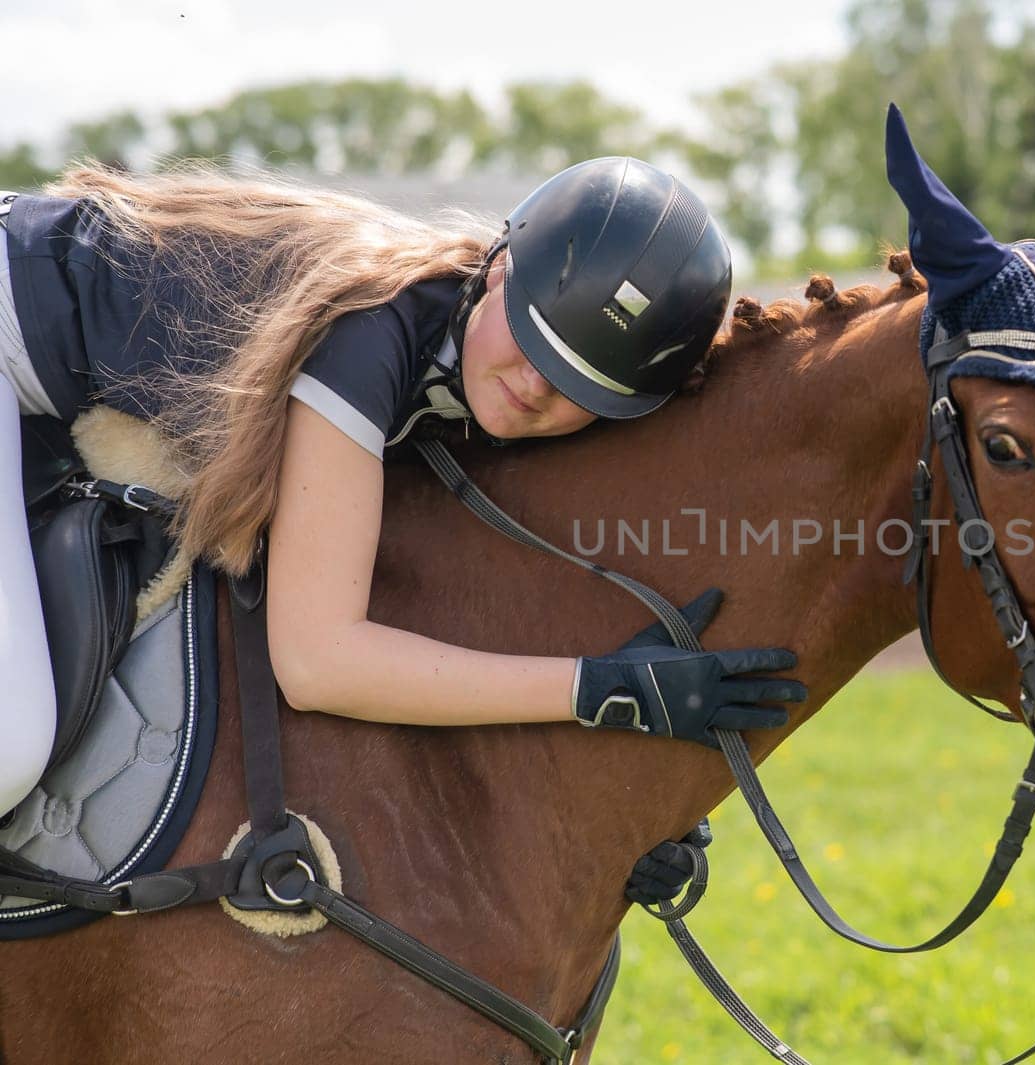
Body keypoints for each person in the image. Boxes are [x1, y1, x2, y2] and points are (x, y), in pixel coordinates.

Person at [0, 157, 806, 815]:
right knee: (9, 745)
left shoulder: (455, 357)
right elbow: (318, 661)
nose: (533, 386)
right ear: (498, 273)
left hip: (47, 398)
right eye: (530, 339)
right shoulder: (369, 333)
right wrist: (598, 689)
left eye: (577, 391)